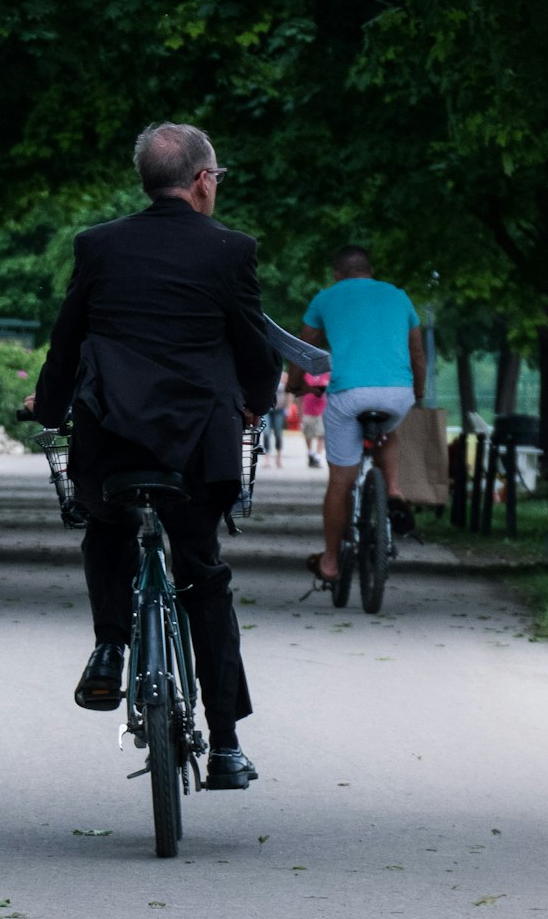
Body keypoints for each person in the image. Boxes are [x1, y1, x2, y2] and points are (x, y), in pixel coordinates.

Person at [28, 121, 279, 790]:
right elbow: (256, 351)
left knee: (107, 530)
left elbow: (66, 341)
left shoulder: (99, 246)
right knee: (203, 575)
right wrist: (256, 401)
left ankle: (110, 645)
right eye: (217, 177)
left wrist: (49, 411)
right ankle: (225, 746)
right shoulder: (230, 250)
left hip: (111, 440)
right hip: (199, 446)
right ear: (202, 178)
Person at [287, 247, 425, 583]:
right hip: (397, 393)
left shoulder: (325, 298)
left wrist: (295, 385)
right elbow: (417, 353)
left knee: (340, 482)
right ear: (370, 270)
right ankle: (393, 489)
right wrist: (416, 392)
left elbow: (303, 350)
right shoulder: (399, 296)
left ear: (337, 273)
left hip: (349, 394)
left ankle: (331, 562)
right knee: (388, 431)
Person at [299, 372, 329, 467]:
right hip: (308, 410)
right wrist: (300, 411)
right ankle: (310, 452)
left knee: (322, 434)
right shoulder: (306, 374)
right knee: (308, 434)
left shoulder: (327, 374)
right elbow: (301, 393)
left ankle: (317, 456)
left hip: (322, 410)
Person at [261, 372, 289, 468]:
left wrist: (288, 408)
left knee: (278, 433)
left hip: (279, 410)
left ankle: (278, 457)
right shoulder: (265, 373)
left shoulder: (284, 376)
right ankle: (267, 459)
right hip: (266, 409)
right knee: (266, 432)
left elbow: (288, 392)